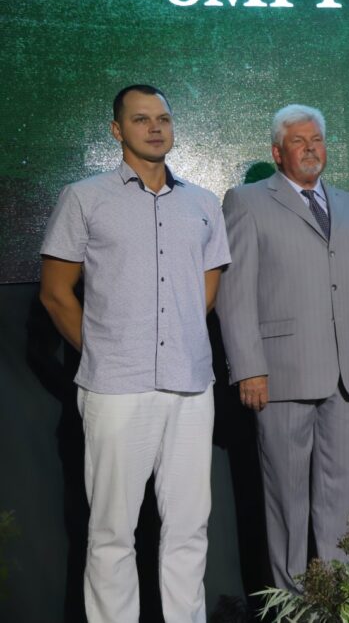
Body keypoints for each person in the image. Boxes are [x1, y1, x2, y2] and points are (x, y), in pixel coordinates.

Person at [39, 84, 230, 622]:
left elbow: (206, 290)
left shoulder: (202, 202)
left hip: (190, 385)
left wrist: (177, 339)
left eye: (162, 118)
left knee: (190, 527)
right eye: (141, 119)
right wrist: (104, 350)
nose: (154, 127)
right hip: (116, 387)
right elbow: (55, 293)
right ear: (116, 130)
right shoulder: (85, 197)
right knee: (112, 532)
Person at [216, 104, 349, 592]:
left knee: (345, 500)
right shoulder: (247, 201)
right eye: (298, 141)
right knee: (286, 501)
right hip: (281, 375)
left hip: (347, 376)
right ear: (277, 152)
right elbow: (235, 293)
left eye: (317, 140)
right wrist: (249, 367)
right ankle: (293, 606)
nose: (310, 149)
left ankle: (343, 600)